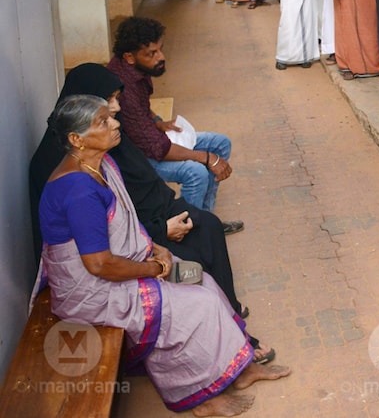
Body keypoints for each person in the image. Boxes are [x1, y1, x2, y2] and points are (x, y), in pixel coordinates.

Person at [36, 95, 290, 416]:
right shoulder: (77, 190)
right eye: (103, 121)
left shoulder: (102, 164)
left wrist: (154, 247)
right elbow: (98, 264)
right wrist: (151, 266)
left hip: (122, 266)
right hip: (91, 291)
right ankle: (202, 396)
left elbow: (125, 224)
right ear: (76, 139)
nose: (115, 123)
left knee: (204, 282)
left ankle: (239, 371)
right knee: (194, 308)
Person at [28, 64, 262, 336]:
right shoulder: (67, 172)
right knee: (197, 262)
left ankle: (229, 315)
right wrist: (159, 235)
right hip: (114, 257)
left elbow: (130, 197)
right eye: (109, 101)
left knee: (207, 227)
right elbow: (98, 248)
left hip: (143, 225)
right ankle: (224, 327)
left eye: (116, 99)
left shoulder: (101, 145)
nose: (115, 110)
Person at [106, 17, 235, 214]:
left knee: (220, 143)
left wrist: (157, 121)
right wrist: (206, 158)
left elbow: (142, 108)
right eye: (152, 53)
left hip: (149, 139)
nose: (161, 57)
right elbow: (157, 148)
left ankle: (206, 220)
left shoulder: (136, 67)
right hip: (137, 157)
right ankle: (190, 231)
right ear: (129, 57)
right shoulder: (123, 88)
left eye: (160, 49)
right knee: (197, 172)